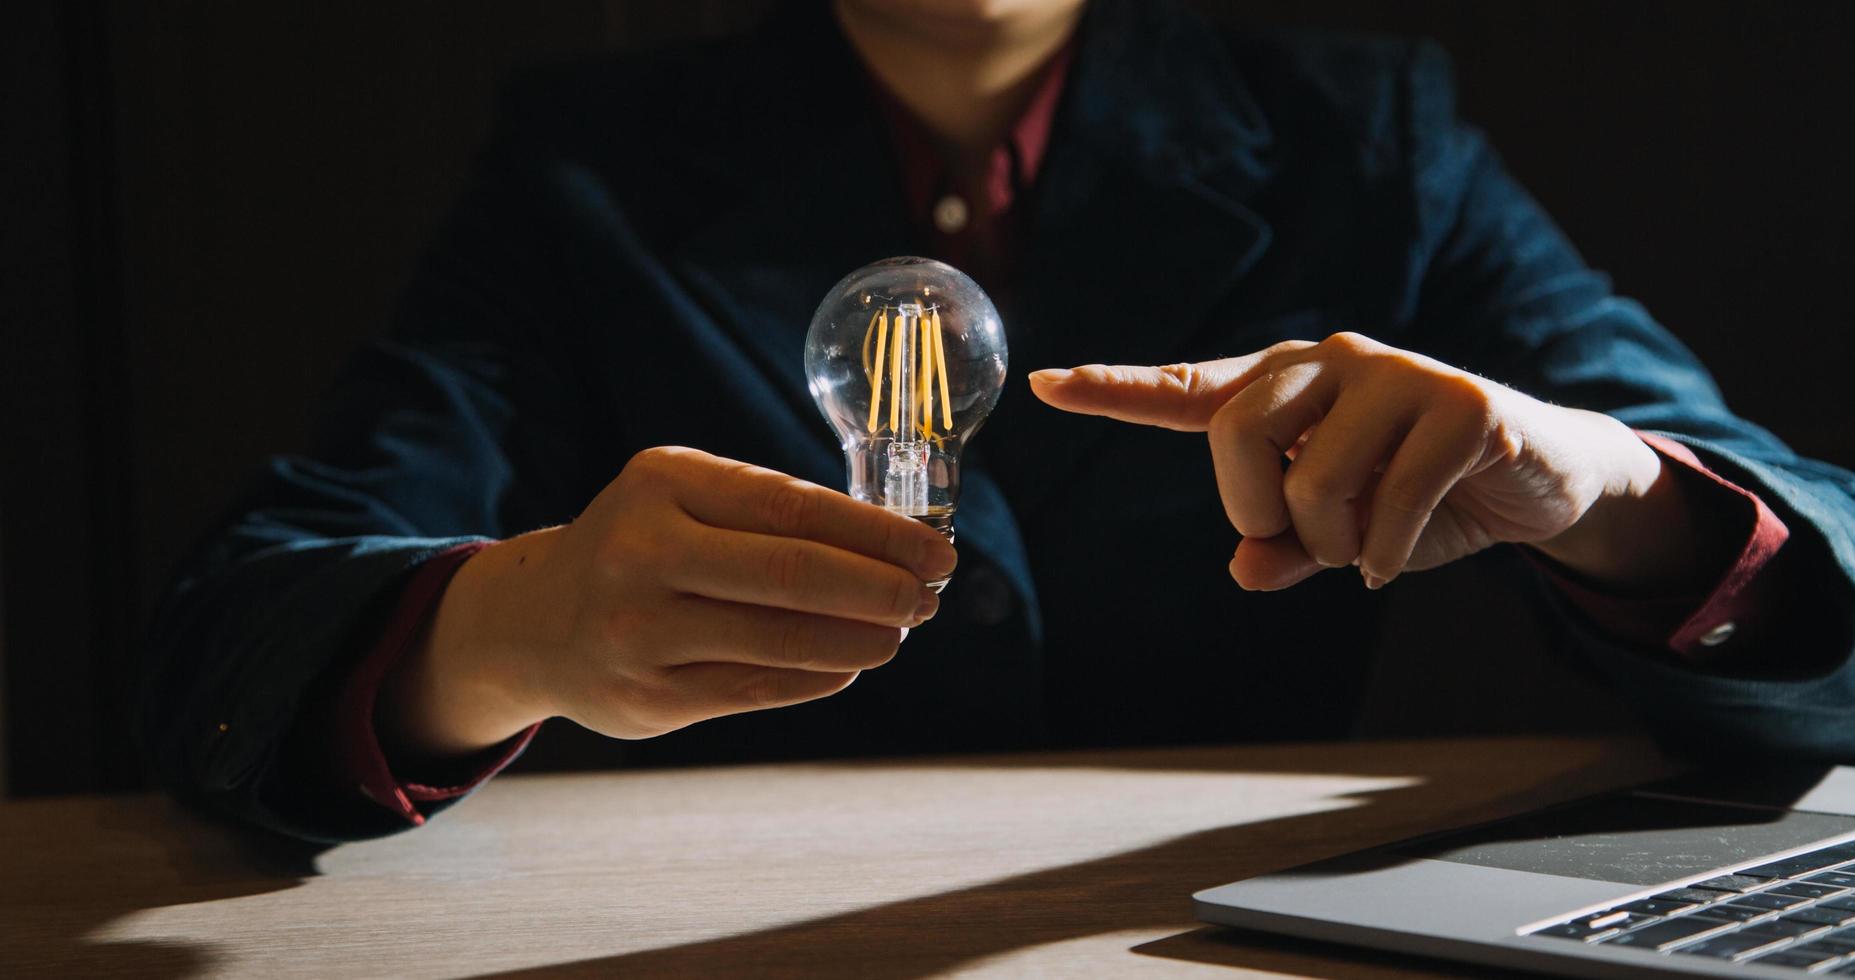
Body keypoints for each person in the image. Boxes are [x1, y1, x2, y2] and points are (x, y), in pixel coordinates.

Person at [141, 0, 1855, 843]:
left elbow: (1805, 563)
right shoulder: (590, 169)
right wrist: (513, 627)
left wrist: (1605, 480)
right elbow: (236, 627)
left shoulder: (1361, 137)